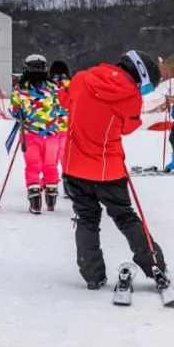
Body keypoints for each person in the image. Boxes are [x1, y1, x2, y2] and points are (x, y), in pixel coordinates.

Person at [61, 50, 168, 290]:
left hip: (74, 167)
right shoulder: (131, 96)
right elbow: (129, 128)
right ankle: (155, 265)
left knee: (86, 218)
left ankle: (92, 275)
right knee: (125, 216)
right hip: (108, 170)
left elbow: (63, 100)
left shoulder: (81, 79)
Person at [9, 55, 63, 213]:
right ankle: (51, 200)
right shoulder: (53, 87)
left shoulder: (19, 88)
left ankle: (35, 203)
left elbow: (14, 111)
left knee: (33, 166)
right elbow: (61, 108)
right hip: (52, 133)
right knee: (51, 165)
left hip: (30, 134)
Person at [49, 59, 72, 175]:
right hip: (67, 126)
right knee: (65, 157)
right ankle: (68, 181)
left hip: (51, 126)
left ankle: (49, 183)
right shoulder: (71, 84)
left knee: (50, 158)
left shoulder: (48, 85)